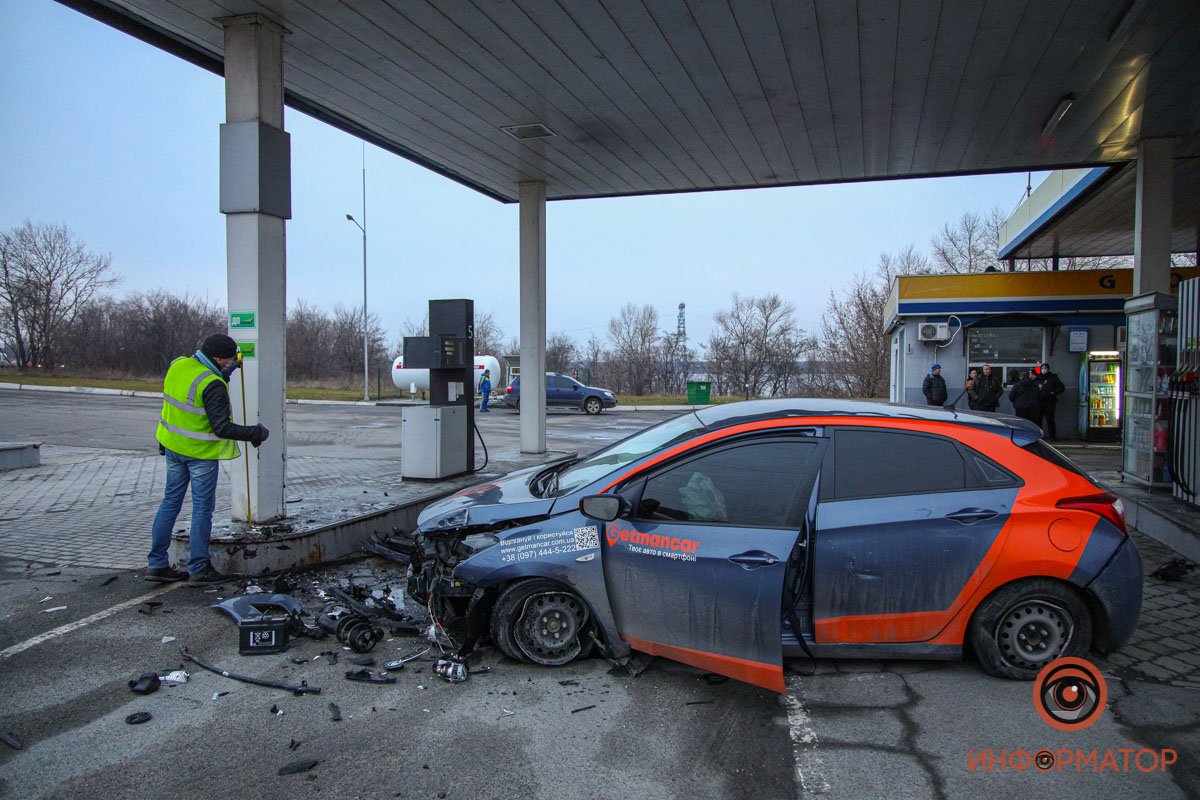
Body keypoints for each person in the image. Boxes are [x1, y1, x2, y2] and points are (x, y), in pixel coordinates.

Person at [146, 334, 269, 586]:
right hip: (199, 454)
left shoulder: (178, 364)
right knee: (202, 510)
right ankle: (199, 569)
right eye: (228, 360)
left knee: (170, 503)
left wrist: (226, 372)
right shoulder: (213, 384)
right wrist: (255, 432)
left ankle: (157, 565)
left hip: (172, 447)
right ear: (217, 358)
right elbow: (222, 427)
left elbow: (194, 391)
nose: (229, 363)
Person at [1036, 362, 1066, 439]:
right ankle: (1039, 436)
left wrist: (1054, 392)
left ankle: (1052, 436)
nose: (1043, 370)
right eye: (1042, 368)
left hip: (1049, 402)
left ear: (1048, 369)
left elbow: (1061, 387)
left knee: (1050, 419)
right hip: (1039, 402)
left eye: (1045, 368)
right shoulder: (1038, 378)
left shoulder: (1053, 378)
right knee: (1038, 419)